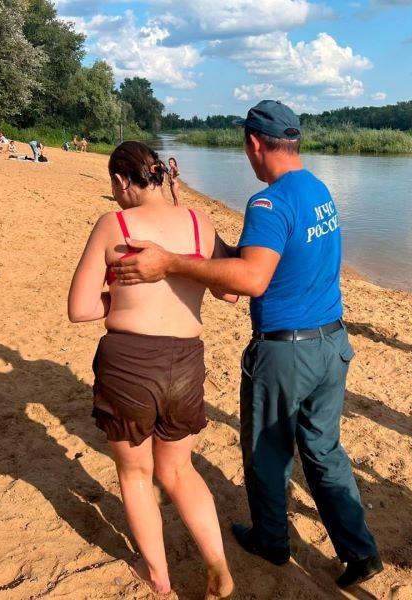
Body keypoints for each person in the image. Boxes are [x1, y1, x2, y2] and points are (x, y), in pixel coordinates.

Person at [110, 100, 383, 589]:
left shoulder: (268, 202)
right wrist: (209, 249)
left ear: (255, 143)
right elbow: (263, 262)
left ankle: (272, 541)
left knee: (266, 451)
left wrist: (171, 263)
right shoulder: (319, 190)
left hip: (286, 352)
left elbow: (250, 281)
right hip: (332, 344)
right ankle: (360, 551)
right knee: (324, 450)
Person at [68, 141, 235, 599]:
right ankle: (218, 565)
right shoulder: (201, 222)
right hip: (185, 361)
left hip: (129, 362)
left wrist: (119, 297)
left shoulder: (113, 224)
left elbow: (80, 309)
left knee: (136, 475)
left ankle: (158, 577)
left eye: (114, 185)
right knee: (180, 471)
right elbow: (230, 293)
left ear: (123, 181)